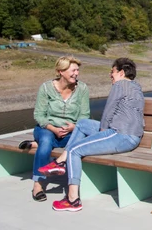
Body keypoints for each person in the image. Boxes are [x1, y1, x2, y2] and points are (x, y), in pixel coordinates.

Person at [37, 57, 145, 212]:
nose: (110, 74)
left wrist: (100, 135)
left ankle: (73, 200)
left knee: (75, 150)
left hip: (121, 135)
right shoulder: (135, 86)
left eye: (112, 71)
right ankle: (61, 162)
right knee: (82, 123)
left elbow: (108, 112)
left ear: (121, 73)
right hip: (127, 134)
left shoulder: (120, 85)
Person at [23, 56, 90, 202]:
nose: (76, 73)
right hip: (47, 128)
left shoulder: (82, 88)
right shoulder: (46, 88)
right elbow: (39, 115)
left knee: (77, 142)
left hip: (72, 130)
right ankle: (38, 185)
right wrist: (53, 129)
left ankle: (36, 143)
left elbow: (84, 115)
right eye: (73, 70)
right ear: (61, 71)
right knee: (46, 141)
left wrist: (74, 127)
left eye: (77, 70)